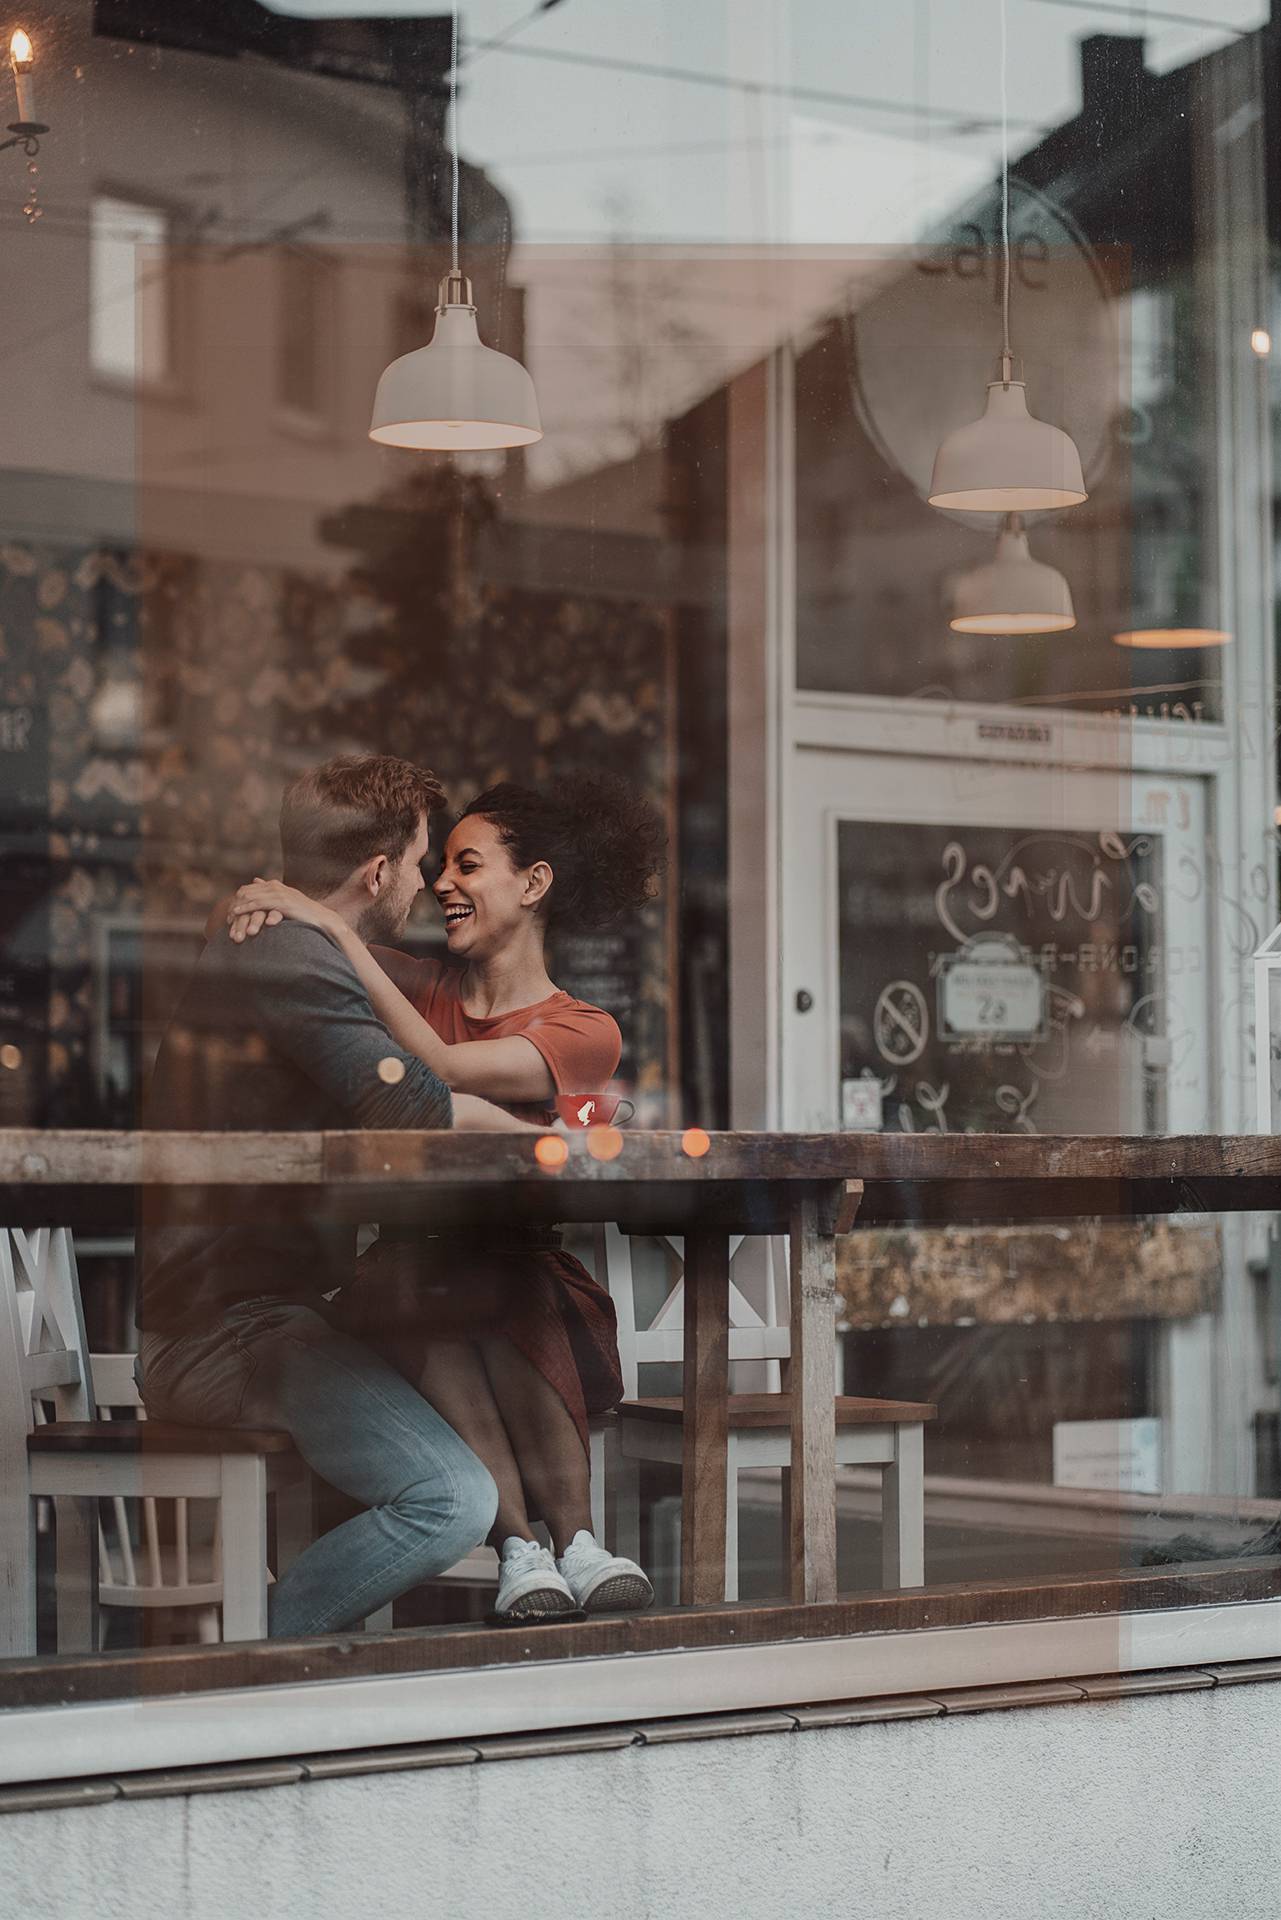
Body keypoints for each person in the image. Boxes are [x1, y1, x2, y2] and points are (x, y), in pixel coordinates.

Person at [224, 771, 666, 1618]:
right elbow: (258, 931)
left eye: (468, 865)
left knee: (489, 1283)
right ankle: (533, 1548)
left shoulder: (584, 1028)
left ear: (533, 884)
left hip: (522, 1284)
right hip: (406, 1284)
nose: (441, 883)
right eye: (440, 865)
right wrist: (261, 904)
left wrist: (327, 925)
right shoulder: (414, 983)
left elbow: (448, 1067)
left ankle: (562, 1542)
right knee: (428, 1284)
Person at [137, 754, 530, 1639]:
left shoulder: (284, 939)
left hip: (267, 1319)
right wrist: (542, 1143)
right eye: (423, 862)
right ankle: (249, 1665)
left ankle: (546, 1553)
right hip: (228, 1335)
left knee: (480, 1337)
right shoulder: (282, 948)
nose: (429, 884)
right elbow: (406, 1102)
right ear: (377, 871)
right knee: (448, 1499)